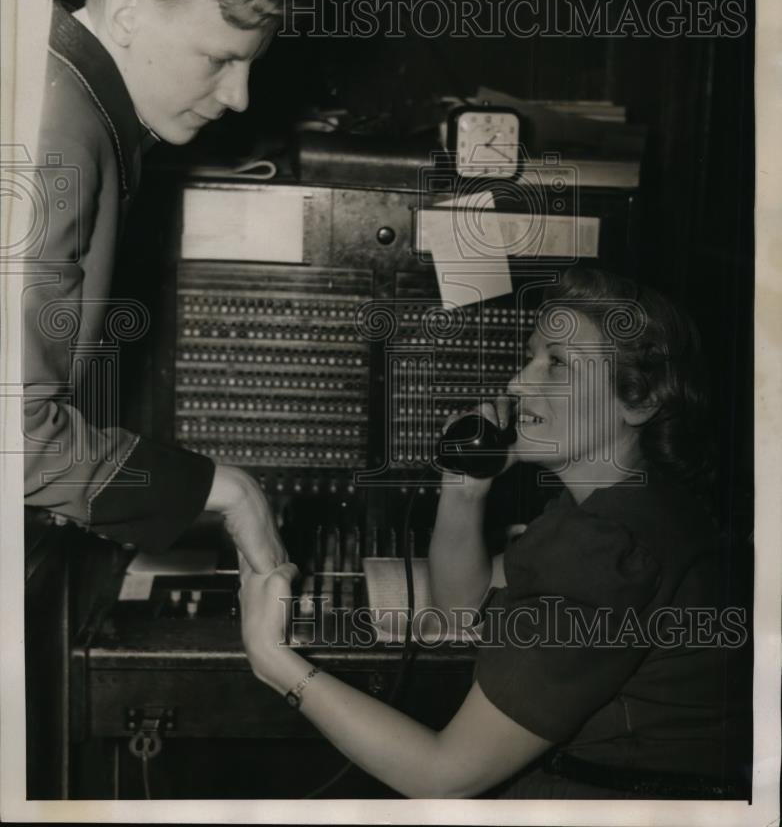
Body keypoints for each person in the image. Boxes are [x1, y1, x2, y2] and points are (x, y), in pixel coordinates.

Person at [240, 266, 749, 799]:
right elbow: (463, 607)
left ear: (639, 400)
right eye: (531, 356)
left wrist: (275, 662)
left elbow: (441, 775)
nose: (518, 382)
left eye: (557, 364)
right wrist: (464, 490)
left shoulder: (612, 546)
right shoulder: (619, 508)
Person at [24, 0, 307, 568]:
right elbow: (14, 439)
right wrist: (226, 490)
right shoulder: (56, 134)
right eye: (218, 60)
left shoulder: (68, 93)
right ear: (126, 12)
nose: (239, 97)